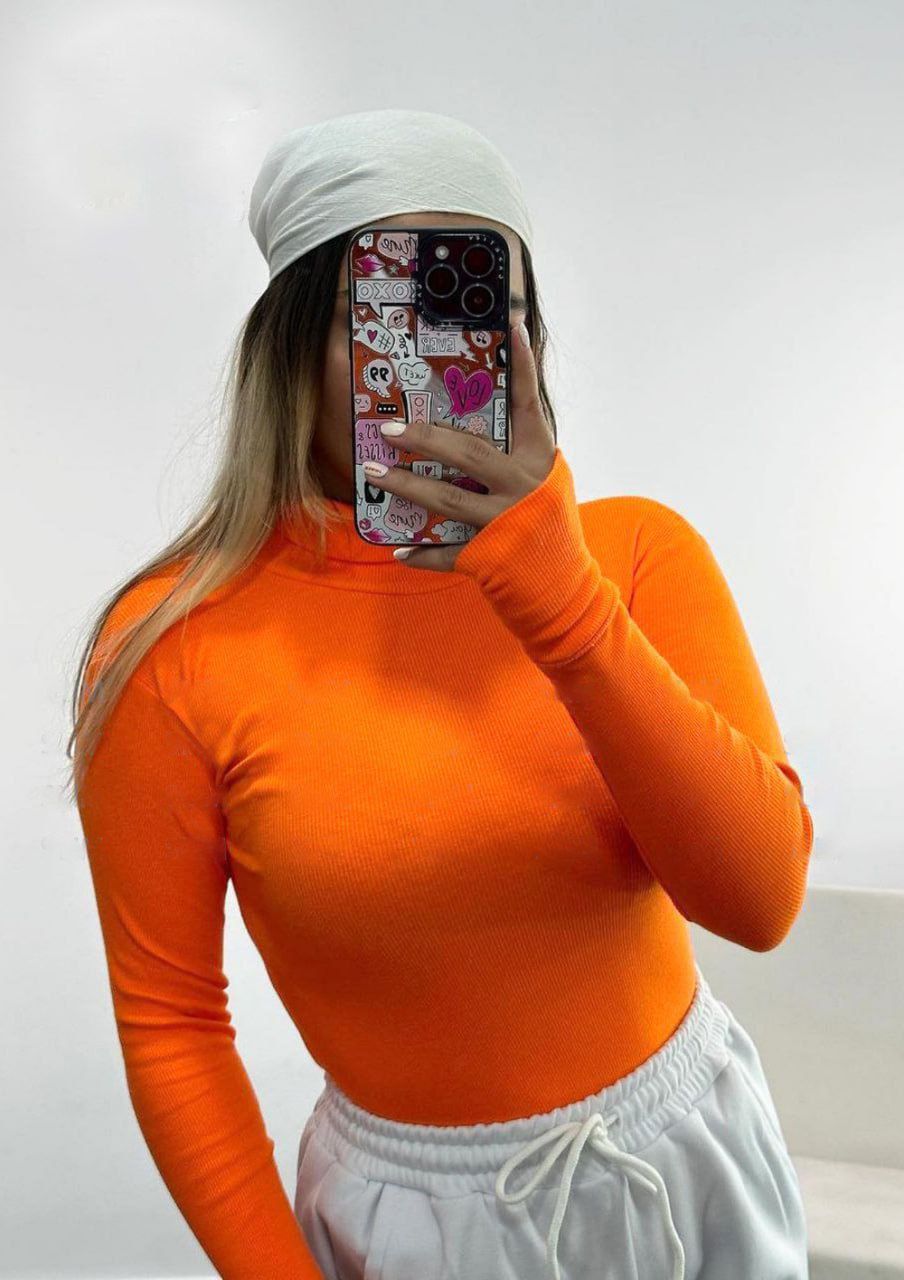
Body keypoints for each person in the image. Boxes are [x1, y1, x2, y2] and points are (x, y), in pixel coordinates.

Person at [69, 109, 813, 1279]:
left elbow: (758, 899)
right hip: (414, 1224)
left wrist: (558, 598)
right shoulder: (173, 644)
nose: (436, 357)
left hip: (687, 1158)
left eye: (477, 304)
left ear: (527, 341)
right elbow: (172, 1021)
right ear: (293, 346)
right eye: (388, 312)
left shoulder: (633, 557)